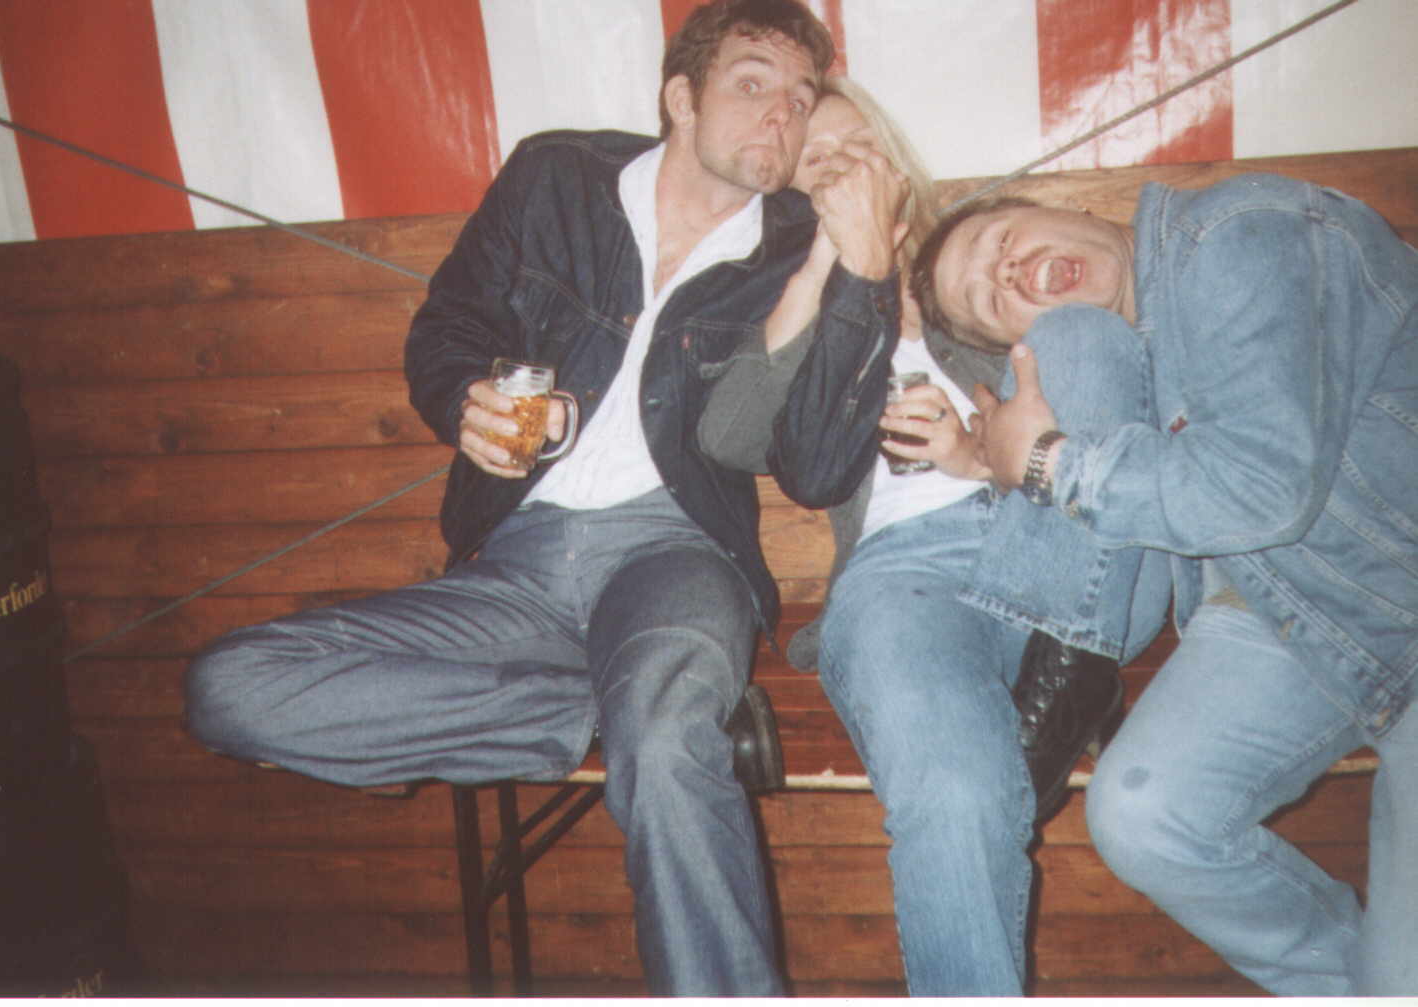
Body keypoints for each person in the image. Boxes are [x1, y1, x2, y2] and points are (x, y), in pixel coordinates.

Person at [180, 0, 909, 994]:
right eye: (752, 84)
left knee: (665, 739)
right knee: (230, 686)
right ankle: (600, 705)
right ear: (680, 98)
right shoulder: (554, 178)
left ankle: (648, 717)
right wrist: (463, 400)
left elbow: (815, 471)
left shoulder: (796, 245)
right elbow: (447, 328)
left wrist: (863, 276)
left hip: (674, 556)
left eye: (798, 95)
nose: (781, 113)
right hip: (518, 563)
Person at [699, 78, 1169, 994]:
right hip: (906, 577)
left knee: (1080, 338)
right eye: (813, 166)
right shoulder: (810, 303)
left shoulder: (982, 261)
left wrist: (983, 451)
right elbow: (730, 433)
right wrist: (832, 263)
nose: (839, 169)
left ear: (892, 155)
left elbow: (1110, 376)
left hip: (1071, 546)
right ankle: (1048, 723)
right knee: (957, 790)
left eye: (854, 147)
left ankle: (1065, 670)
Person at [913, 176, 1418, 995]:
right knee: (1144, 813)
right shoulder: (1131, 355)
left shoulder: (1235, 233)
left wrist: (1049, 462)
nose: (1005, 270)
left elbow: (1264, 486)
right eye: (991, 299)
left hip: (1399, 589)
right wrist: (997, 461)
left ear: (1068, 205)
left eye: (999, 240)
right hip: (1298, 605)